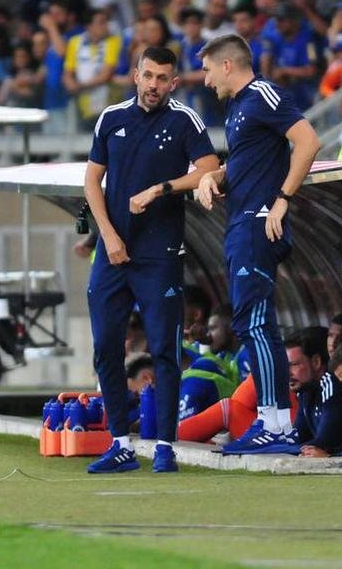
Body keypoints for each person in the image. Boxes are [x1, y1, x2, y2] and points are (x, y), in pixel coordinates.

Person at [84, 46, 218, 473]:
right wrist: (107, 235)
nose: (154, 85)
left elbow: (210, 169)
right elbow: (91, 181)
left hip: (159, 255)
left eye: (163, 78)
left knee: (163, 348)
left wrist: (161, 188)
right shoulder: (111, 118)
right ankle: (120, 443)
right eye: (148, 76)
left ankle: (164, 446)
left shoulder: (184, 120)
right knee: (106, 346)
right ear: (135, 76)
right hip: (112, 253)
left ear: (173, 83)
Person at [196, 35, 320, 455]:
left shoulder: (264, 93)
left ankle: (277, 424)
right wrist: (215, 177)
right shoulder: (238, 108)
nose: (207, 80)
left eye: (210, 70)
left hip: (257, 225)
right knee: (255, 324)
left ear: (228, 65)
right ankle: (274, 423)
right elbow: (246, 162)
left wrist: (281, 201)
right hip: (241, 224)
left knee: (257, 325)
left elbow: (308, 141)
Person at [286, 327, 342, 457]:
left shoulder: (333, 384)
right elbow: (297, 436)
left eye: (294, 364)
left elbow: (325, 441)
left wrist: (282, 450)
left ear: (316, 362)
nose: (287, 373)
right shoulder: (305, 391)